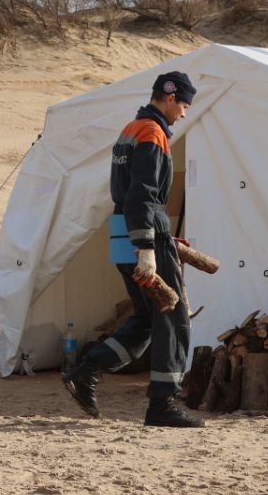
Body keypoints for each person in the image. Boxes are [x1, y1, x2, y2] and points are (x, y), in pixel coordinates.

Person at [63, 70, 204, 428]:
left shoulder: (130, 129)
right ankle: (162, 405)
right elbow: (143, 194)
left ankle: (87, 371)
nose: (184, 113)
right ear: (170, 98)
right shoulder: (153, 133)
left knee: (145, 318)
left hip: (119, 232)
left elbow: (125, 194)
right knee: (173, 316)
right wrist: (148, 248)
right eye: (184, 105)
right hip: (144, 233)